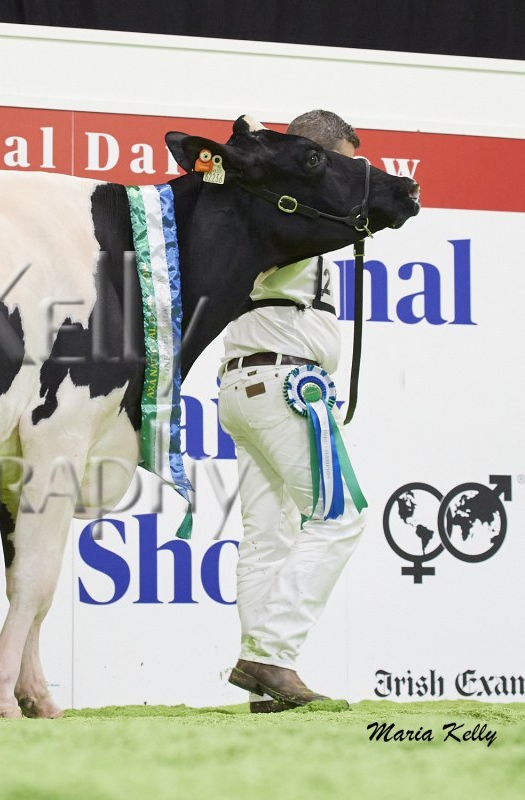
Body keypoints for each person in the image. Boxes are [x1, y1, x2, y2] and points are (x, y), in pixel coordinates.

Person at [217, 110, 367, 712]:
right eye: (345, 166)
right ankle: (271, 656)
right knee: (341, 517)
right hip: (284, 382)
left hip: (245, 380)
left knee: (267, 536)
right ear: (319, 159)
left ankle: (265, 676)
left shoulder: (271, 205)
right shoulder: (290, 204)